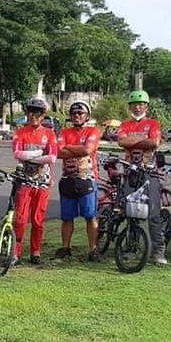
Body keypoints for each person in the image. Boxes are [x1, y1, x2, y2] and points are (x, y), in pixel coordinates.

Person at [117, 90, 167, 265]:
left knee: (153, 213)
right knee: (130, 211)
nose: (137, 107)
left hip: (149, 172)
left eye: (141, 104)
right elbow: (121, 141)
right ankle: (132, 246)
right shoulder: (125, 124)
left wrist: (132, 141)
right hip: (130, 172)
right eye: (134, 104)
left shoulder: (153, 123)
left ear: (146, 106)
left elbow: (154, 142)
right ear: (130, 106)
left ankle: (158, 250)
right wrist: (143, 140)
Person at [11, 96, 58, 265]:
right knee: (20, 219)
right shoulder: (20, 132)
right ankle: (15, 252)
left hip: (43, 182)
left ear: (43, 116)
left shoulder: (49, 134)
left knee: (38, 220)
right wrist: (39, 154)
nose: (33, 116)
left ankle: (35, 251)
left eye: (37, 113)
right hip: (24, 181)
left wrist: (29, 157)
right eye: (30, 112)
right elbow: (17, 154)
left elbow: (52, 158)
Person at [56, 100, 101, 261]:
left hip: (87, 179)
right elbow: (58, 152)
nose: (77, 116)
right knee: (67, 217)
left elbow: (88, 150)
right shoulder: (64, 132)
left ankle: (93, 249)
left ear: (87, 115)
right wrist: (78, 150)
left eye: (80, 113)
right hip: (67, 179)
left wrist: (68, 147)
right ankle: (65, 247)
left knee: (90, 216)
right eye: (73, 113)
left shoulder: (93, 130)